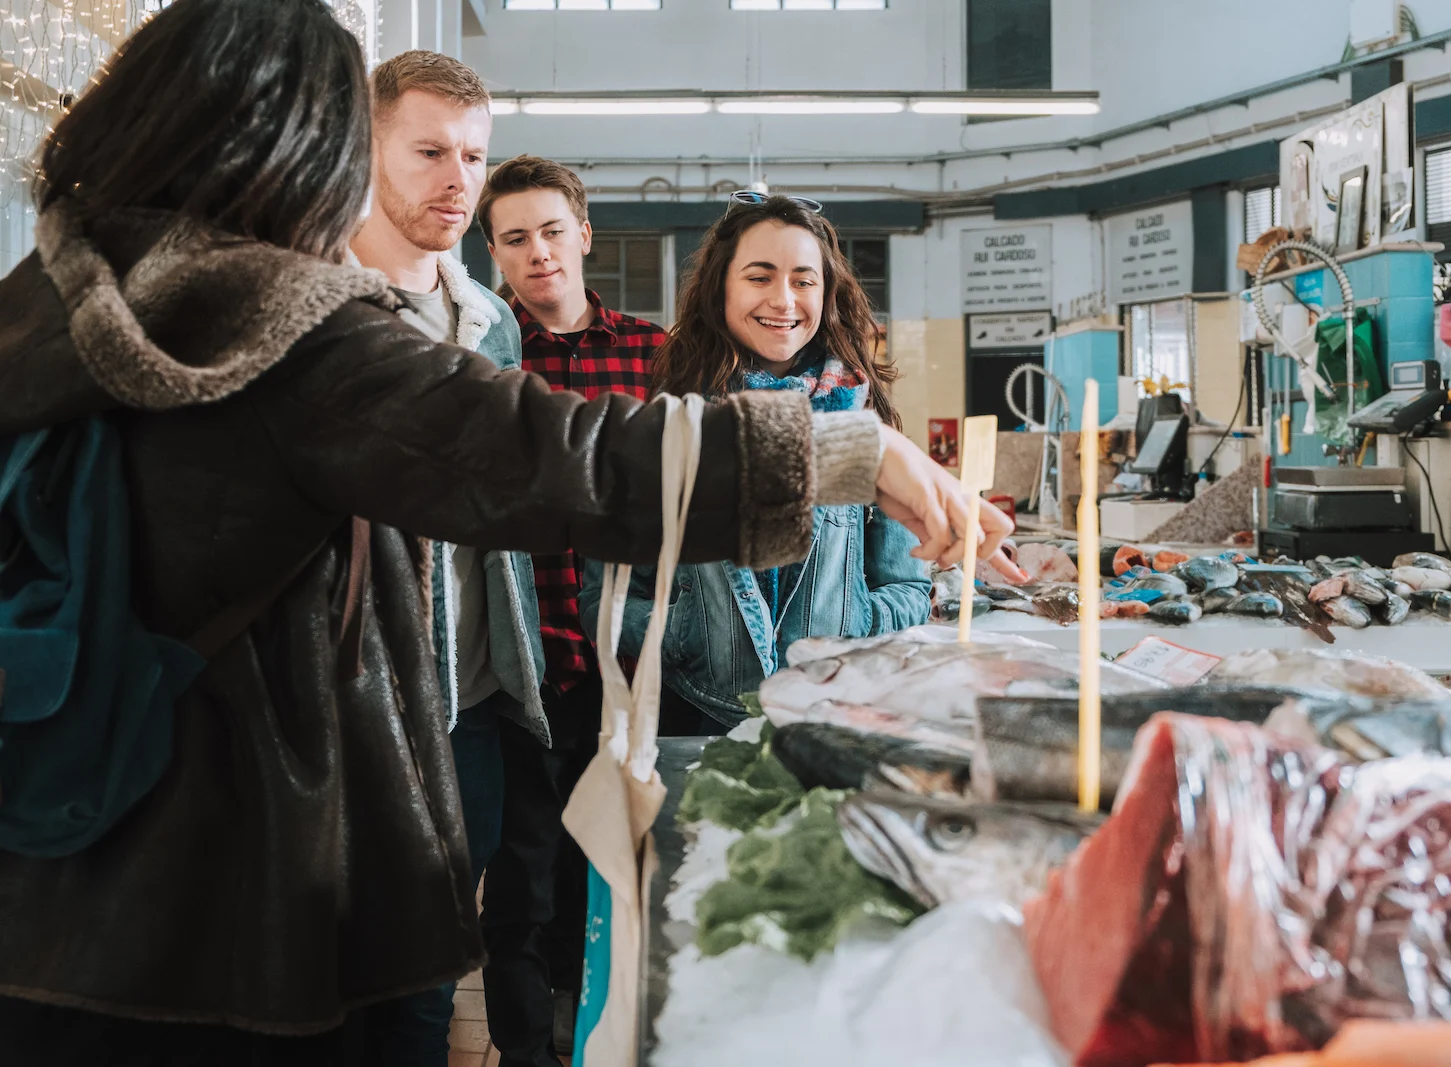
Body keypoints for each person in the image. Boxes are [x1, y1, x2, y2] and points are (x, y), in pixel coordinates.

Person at [0, 0, 1016, 1061]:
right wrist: (847, 448)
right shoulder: (284, 330)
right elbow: (562, 457)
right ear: (296, 149)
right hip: (240, 918)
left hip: (53, 863)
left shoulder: (42, 306)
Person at [344, 51, 534, 1067]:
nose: (456, 180)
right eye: (427, 152)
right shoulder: (320, 306)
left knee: (429, 970)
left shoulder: (491, 320)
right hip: (349, 701)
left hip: (466, 698)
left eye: (473, 155)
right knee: (335, 970)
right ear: (364, 146)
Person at [579, 194, 932, 737]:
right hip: (700, 712)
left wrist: (855, 623)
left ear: (827, 292)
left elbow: (910, 588)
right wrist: (687, 635)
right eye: (759, 277)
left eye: (804, 280)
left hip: (832, 714)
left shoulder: (865, 419)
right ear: (722, 287)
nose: (784, 299)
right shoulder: (672, 425)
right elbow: (604, 599)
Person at [476, 155, 662, 1066]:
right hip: (523, 662)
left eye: (552, 230)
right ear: (494, 253)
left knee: (618, 875)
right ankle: (526, 1052)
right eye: (515, 238)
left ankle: (606, 1038)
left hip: (636, 664)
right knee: (523, 886)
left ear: (584, 233)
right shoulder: (478, 361)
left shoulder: (656, 353)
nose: (538, 252)